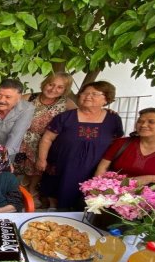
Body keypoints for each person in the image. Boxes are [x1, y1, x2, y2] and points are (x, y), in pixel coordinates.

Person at [37, 81, 124, 210]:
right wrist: (42, 159)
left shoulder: (113, 119)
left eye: (94, 93)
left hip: (95, 168)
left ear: (106, 99)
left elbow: (118, 143)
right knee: (58, 198)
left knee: (87, 202)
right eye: (85, 93)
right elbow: (47, 138)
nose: (88, 96)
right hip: (62, 166)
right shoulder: (65, 117)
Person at [14, 72, 77, 199]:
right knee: (19, 168)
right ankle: (19, 192)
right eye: (50, 84)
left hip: (46, 142)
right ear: (44, 83)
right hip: (23, 140)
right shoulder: (29, 98)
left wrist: (105, 111)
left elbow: (82, 115)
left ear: (65, 90)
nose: (53, 89)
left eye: (60, 87)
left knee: (39, 169)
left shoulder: (66, 103)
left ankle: (32, 192)